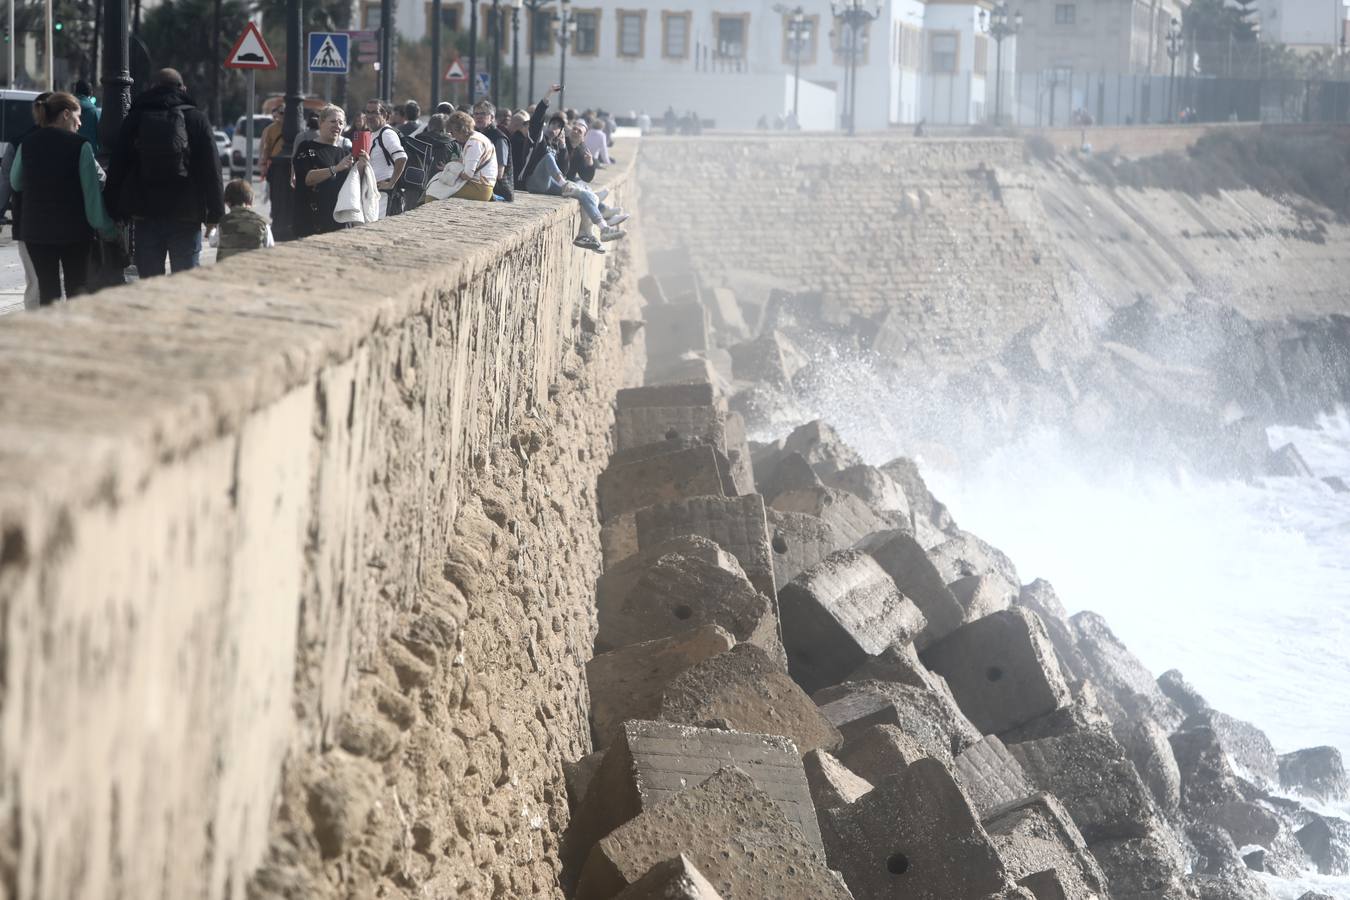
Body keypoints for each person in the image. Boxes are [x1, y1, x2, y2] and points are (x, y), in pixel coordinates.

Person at [105, 68, 224, 277]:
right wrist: (215, 213)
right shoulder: (196, 118)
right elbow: (212, 168)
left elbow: (118, 165)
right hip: (187, 214)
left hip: (145, 213)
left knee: (150, 282)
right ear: (182, 88)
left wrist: (114, 209)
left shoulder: (136, 118)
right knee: (184, 282)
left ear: (153, 88)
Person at [9, 92, 118, 303]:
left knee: (48, 291)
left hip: (36, 232)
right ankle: (71, 333)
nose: (79, 124)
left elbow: (15, 182)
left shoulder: (28, 143)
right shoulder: (80, 146)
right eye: (78, 117)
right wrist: (108, 229)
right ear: (66, 114)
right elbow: (92, 198)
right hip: (73, 233)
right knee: (77, 287)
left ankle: (50, 332)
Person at [0, 92, 50, 310]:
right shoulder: (76, 143)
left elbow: (9, 183)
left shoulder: (18, 143)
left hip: (26, 223)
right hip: (67, 225)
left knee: (35, 282)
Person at [293, 105, 366, 237]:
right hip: (310, 221)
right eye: (333, 121)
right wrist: (335, 168)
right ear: (321, 123)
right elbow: (307, 178)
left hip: (338, 221)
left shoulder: (345, 153)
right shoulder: (307, 147)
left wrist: (362, 164)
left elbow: (353, 185)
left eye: (341, 123)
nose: (337, 125)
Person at [438, 110, 497, 201]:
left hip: (479, 188)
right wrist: (447, 167)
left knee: (435, 192)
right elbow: (466, 162)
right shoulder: (476, 138)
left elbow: (468, 174)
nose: (452, 136)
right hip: (481, 186)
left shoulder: (473, 143)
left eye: (452, 132)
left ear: (460, 130)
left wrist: (452, 170)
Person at [365, 101, 408, 217]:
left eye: (374, 113)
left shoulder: (387, 134)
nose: (369, 116)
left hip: (385, 196)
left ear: (384, 115)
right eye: (367, 112)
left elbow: (401, 157)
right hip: (375, 194)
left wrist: (391, 183)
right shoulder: (374, 134)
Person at [518, 85, 564, 192]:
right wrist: (548, 95)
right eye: (553, 124)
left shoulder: (556, 145)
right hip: (533, 182)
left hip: (549, 183)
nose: (555, 127)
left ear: (561, 132)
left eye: (558, 126)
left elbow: (564, 170)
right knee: (548, 156)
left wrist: (563, 147)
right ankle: (564, 185)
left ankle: (595, 200)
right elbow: (536, 120)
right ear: (546, 125)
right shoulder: (538, 139)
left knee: (578, 191)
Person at [214, 178, 273, 260]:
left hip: (225, 269)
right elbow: (270, 245)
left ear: (227, 203)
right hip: (253, 268)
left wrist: (212, 230)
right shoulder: (262, 223)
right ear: (251, 201)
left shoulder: (222, 222)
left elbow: (213, 242)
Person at [471, 99, 513, 200]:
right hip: (479, 186)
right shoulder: (474, 136)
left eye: (483, 113)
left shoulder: (499, 138)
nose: (479, 117)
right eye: (476, 113)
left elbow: (499, 173)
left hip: (499, 192)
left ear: (492, 117)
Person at [73, 80, 101, 153]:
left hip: (71, 153)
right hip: (90, 153)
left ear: (75, 91)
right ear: (90, 93)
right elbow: (100, 136)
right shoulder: (94, 112)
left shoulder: (68, 109)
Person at [258, 107, 284, 178]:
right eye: (274, 117)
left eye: (283, 113)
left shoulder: (294, 127)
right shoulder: (269, 129)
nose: (275, 119)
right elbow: (264, 147)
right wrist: (263, 164)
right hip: (274, 163)